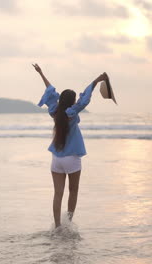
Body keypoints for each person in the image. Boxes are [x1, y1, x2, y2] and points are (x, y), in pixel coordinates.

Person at [33, 63, 108, 228]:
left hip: (56, 159)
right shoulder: (72, 113)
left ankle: (58, 227)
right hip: (72, 158)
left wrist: (41, 73)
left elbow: (50, 91)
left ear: (60, 100)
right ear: (72, 102)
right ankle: (69, 224)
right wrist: (97, 79)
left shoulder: (54, 111)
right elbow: (85, 97)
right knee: (73, 191)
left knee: (58, 194)